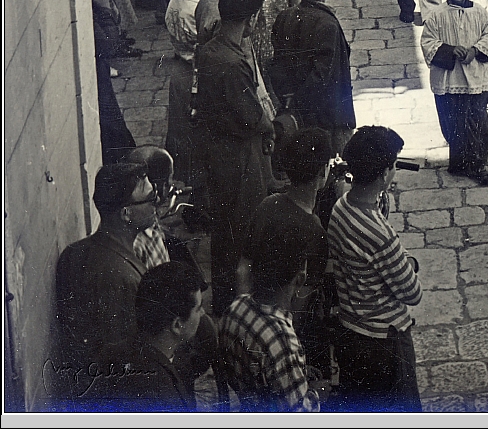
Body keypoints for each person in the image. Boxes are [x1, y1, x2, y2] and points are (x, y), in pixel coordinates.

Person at [193, 0, 275, 314]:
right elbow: (252, 116)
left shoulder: (208, 49)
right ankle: (241, 306)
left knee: (223, 231)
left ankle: (225, 302)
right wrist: (271, 127)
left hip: (216, 150)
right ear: (251, 19)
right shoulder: (233, 61)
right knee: (243, 230)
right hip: (239, 156)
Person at [327, 126, 423, 411]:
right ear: (383, 175)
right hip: (385, 342)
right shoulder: (381, 235)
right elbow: (412, 293)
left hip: (351, 332)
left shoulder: (341, 208)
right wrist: (407, 264)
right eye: (393, 166)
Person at [53, 163, 154, 402]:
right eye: (151, 197)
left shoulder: (73, 253)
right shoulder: (121, 278)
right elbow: (121, 358)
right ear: (126, 213)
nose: (156, 204)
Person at [239, 127, 332, 377]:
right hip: (288, 333)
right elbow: (301, 299)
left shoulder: (267, 205)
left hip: (255, 312)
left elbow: (243, 267)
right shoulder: (315, 231)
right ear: (321, 174)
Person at [219, 224, 324, 411]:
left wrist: (295, 373)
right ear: (299, 279)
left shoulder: (235, 308)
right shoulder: (283, 341)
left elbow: (260, 368)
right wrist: (316, 394)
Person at [420, 0, 488, 184]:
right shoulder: (436, 15)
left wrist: (475, 51)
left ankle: (478, 165)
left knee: (477, 121)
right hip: (449, 79)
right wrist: (450, 50)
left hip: (475, 80)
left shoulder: (480, 14)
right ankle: (459, 162)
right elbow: (428, 42)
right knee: (452, 122)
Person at [270, 0, 356, 153]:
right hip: (328, 117)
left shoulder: (285, 17)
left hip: (293, 111)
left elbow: (277, 63)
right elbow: (322, 76)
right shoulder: (327, 24)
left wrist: (289, 99)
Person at [121, 260, 209, 411]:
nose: (202, 313)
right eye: (198, 308)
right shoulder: (162, 396)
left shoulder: (128, 351)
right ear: (177, 325)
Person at [163, 0, 210, 187]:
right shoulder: (196, 9)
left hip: (179, 67)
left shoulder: (173, 3)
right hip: (196, 70)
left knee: (180, 126)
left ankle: (184, 171)